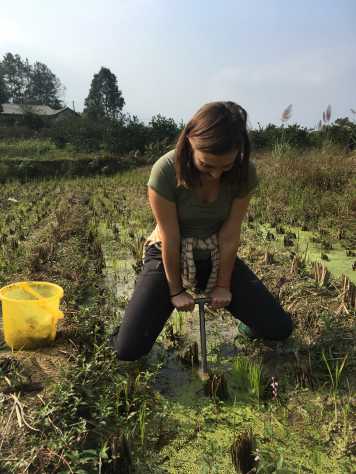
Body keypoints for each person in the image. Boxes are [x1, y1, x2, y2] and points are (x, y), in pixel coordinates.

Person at [111, 101, 293, 361]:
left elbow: (229, 235)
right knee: (126, 350)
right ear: (189, 143)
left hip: (214, 254)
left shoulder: (245, 173)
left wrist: (222, 285)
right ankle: (129, 330)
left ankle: (249, 325)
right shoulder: (165, 170)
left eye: (225, 166)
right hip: (169, 253)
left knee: (279, 328)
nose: (216, 174)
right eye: (207, 165)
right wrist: (175, 291)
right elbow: (171, 238)